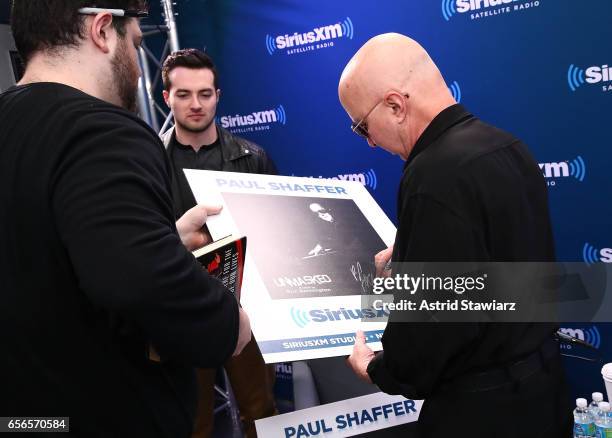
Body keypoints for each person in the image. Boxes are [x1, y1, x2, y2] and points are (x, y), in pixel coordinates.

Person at [0, 2, 251, 437]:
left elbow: (45, 250)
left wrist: (166, 238)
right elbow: (137, 282)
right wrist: (228, 324)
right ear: (101, 31)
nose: (137, 69)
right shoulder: (102, 130)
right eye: (135, 43)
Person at [340, 33, 572, 437]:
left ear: (395, 105)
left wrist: (376, 367)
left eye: (362, 127)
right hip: (544, 393)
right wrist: (416, 250)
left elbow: (426, 340)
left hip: (482, 414)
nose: (372, 143)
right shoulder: (508, 145)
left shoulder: (433, 175)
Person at [160, 49, 277, 438]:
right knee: (191, 422)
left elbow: (276, 233)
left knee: (261, 412)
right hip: (180, 310)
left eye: (205, 94)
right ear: (167, 98)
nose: (196, 104)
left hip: (245, 309)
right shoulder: (149, 162)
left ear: (218, 95)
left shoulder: (253, 157)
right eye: (184, 94)